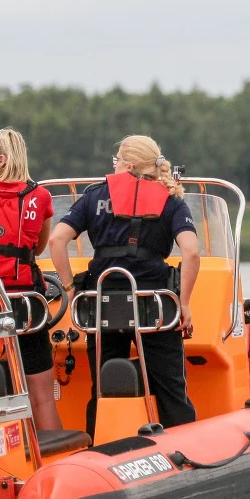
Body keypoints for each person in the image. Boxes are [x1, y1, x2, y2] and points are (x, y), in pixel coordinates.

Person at [47, 135, 200, 438]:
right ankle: (184, 451)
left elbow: (56, 240)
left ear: (128, 164)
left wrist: (68, 286)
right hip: (156, 308)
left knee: (103, 387)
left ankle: (101, 449)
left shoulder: (93, 197)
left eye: (116, 159)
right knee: (172, 389)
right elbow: (192, 252)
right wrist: (184, 303)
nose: (113, 164)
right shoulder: (171, 201)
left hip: (102, 306)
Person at [0, 128, 63, 430]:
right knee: (42, 397)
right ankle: (53, 458)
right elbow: (38, 246)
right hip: (28, 304)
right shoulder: (39, 196)